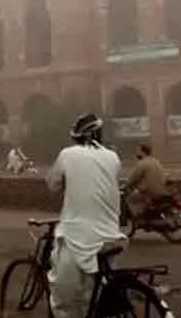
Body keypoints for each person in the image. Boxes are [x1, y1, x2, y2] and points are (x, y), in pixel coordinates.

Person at [46, 114, 127, 318]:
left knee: (64, 297)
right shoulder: (113, 157)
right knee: (97, 293)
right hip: (111, 235)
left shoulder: (67, 154)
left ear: (77, 137)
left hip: (76, 236)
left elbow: (53, 184)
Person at [126, 144, 168, 223]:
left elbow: (133, 178)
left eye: (138, 151)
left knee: (129, 200)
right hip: (161, 190)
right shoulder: (156, 161)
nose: (136, 153)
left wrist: (127, 185)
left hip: (148, 191)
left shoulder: (143, 163)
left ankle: (139, 218)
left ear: (143, 152)